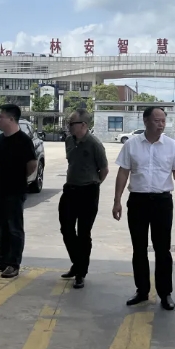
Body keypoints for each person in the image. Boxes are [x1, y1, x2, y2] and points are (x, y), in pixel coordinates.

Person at [113, 106, 175, 311]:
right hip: (138, 201)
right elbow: (123, 172)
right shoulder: (132, 144)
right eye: (157, 120)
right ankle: (142, 290)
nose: (161, 124)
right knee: (139, 248)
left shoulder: (171, 145)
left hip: (162, 202)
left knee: (163, 249)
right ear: (145, 121)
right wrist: (117, 200)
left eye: (163, 120)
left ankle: (165, 293)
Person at [0, 104, 37, 278]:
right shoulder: (0, 139)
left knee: (14, 228)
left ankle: (13, 264)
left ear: (11, 119)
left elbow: (32, 165)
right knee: (2, 226)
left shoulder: (23, 141)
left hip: (14, 191)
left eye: (1, 117)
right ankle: (3, 260)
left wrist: (18, 179)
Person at [59, 109, 109, 289]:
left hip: (88, 191)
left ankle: (81, 272)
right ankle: (77, 263)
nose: (69, 126)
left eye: (72, 123)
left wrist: (93, 184)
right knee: (66, 228)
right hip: (70, 190)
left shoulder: (94, 144)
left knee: (83, 233)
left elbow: (104, 170)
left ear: (84, 125)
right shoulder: (69, 141)